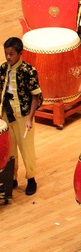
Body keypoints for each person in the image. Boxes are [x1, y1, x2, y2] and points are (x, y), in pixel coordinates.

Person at [0, 37, 42, 195]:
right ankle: (12, 178)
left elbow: (36, 96)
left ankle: (31, 179)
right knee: (9, 147)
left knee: (26, 148)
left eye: (11, 54)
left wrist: (30, 118)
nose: (8, 57)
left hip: (23, 115)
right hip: (7, 112)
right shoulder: (3, 68)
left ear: (20, 53)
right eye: (6, 53)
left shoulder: (28, 71)